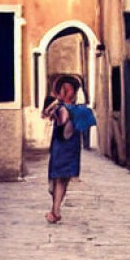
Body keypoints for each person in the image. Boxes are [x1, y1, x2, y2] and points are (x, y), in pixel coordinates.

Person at [41, 76, 95, 223]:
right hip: (62, 145)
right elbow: (46, 115)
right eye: (64, 90)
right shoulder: (62, 107)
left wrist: (59, 105)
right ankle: (55, 210)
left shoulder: (72, 109)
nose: (67, 92)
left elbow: (63, 120)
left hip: (66, 147)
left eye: (68, 90)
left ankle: (55, 211)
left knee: (60, 179)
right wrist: (56, 103)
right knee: (59, 180)